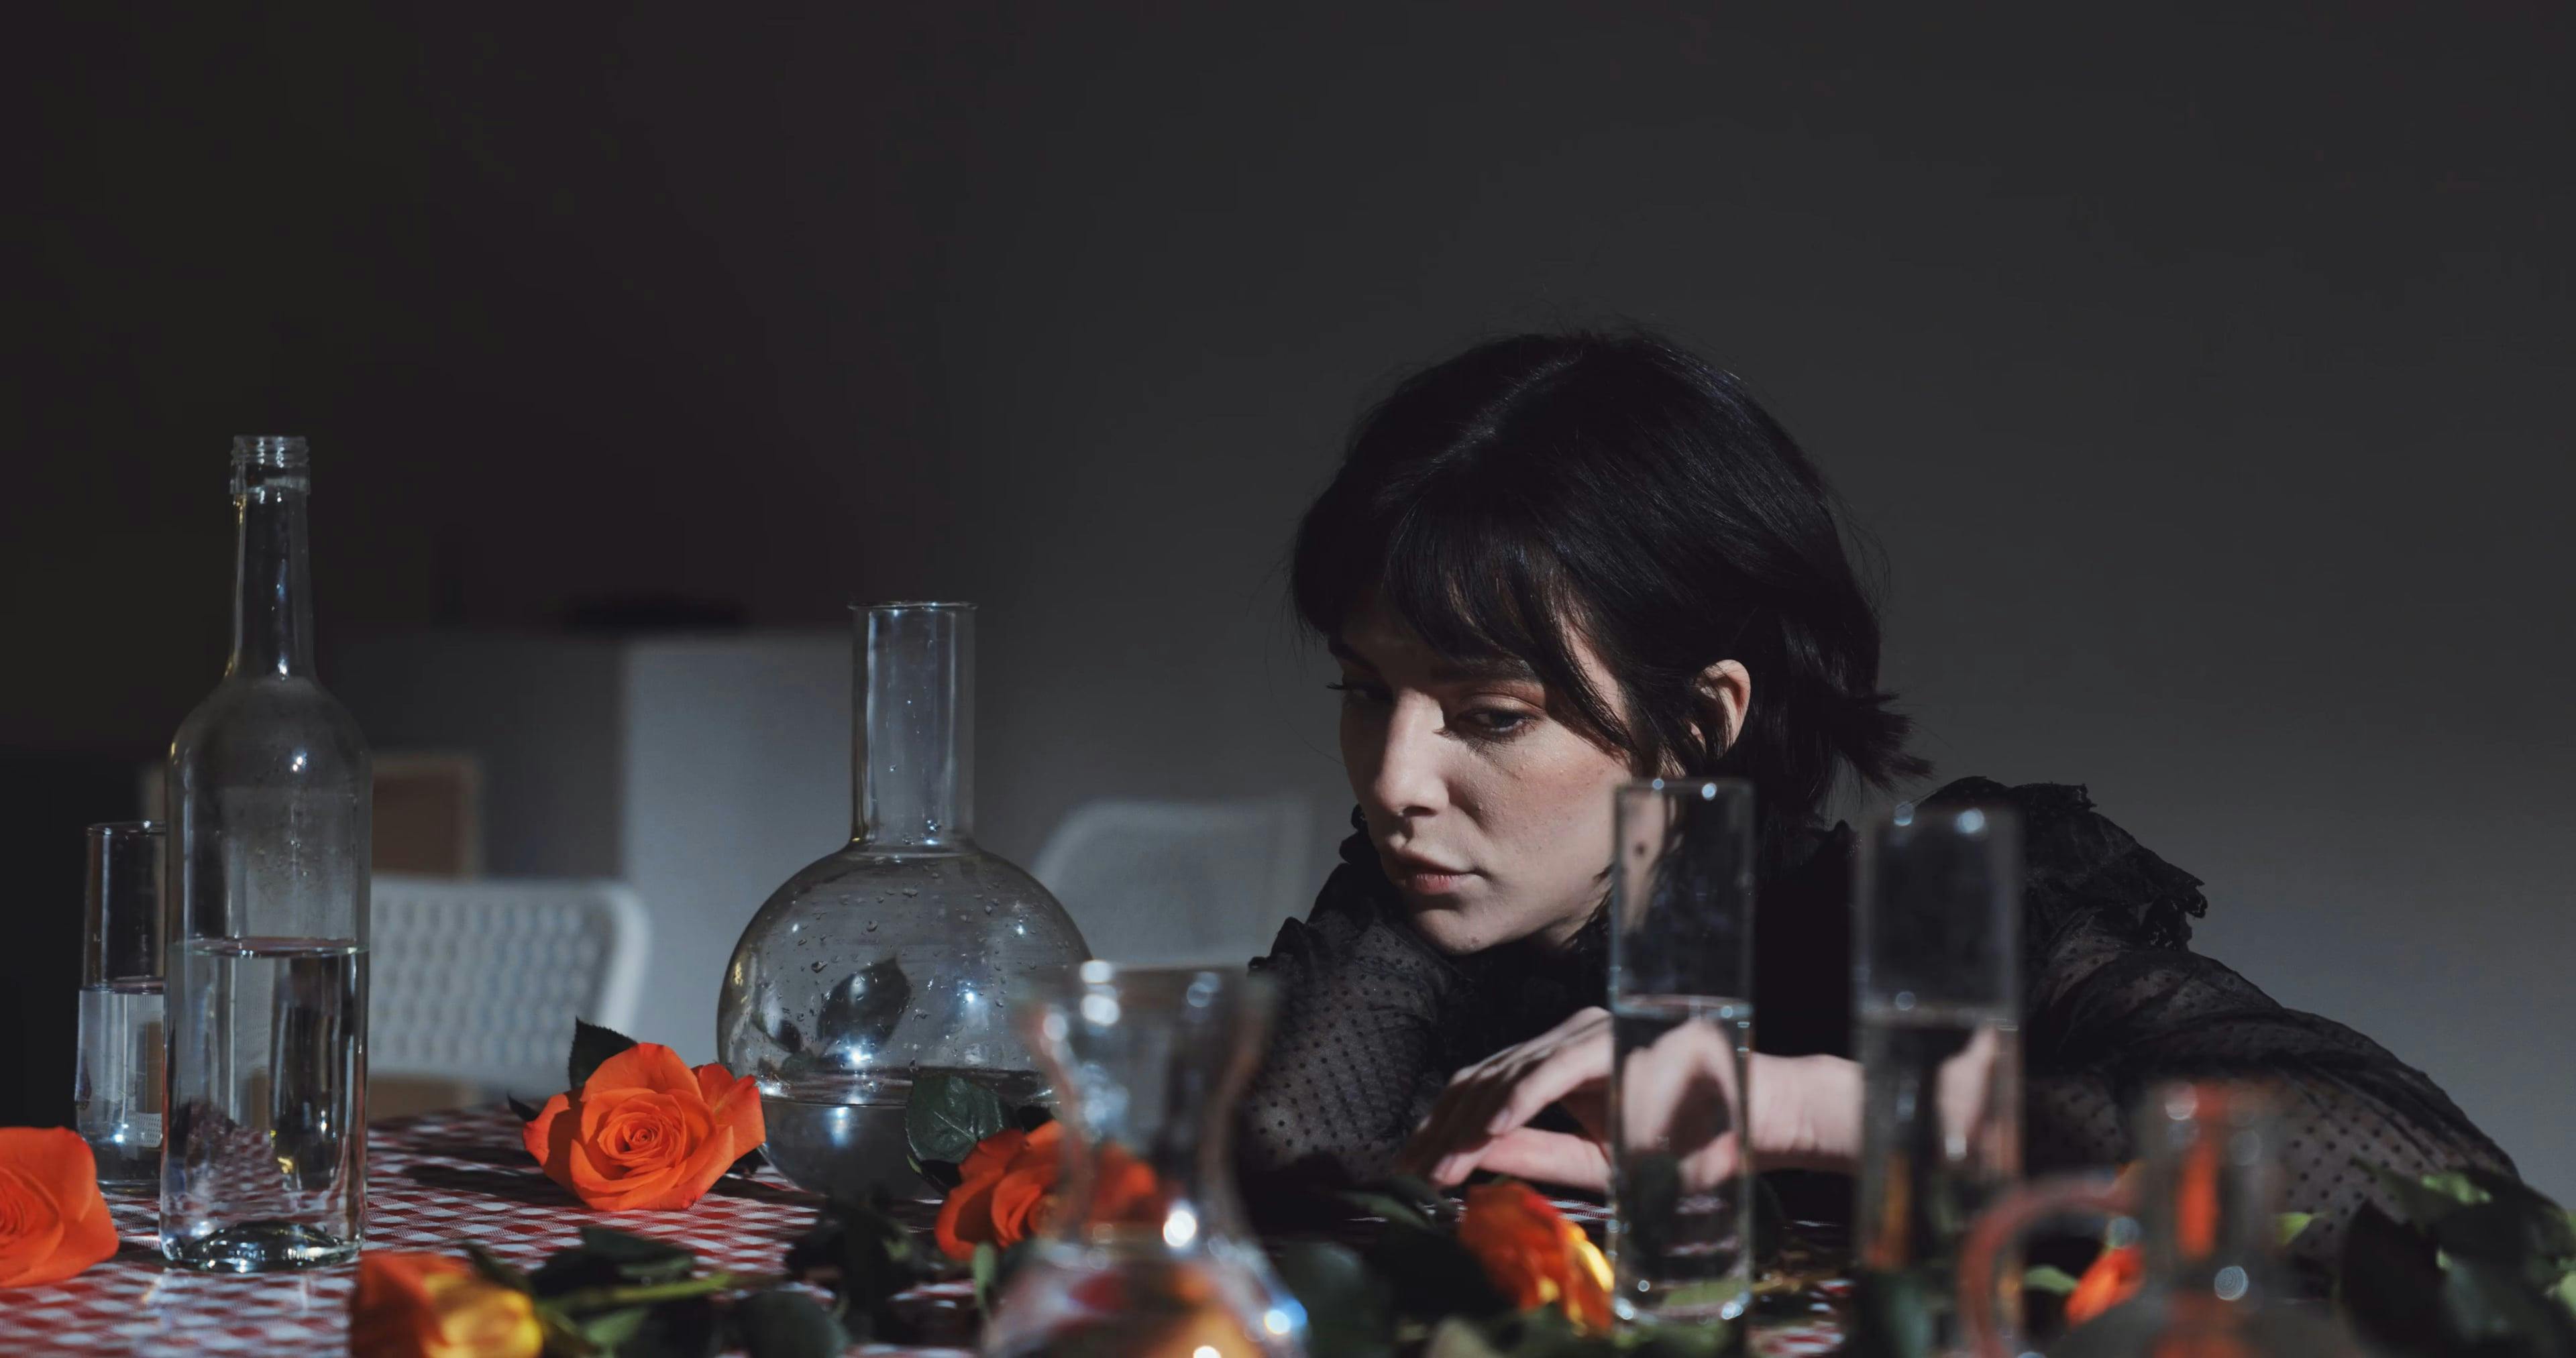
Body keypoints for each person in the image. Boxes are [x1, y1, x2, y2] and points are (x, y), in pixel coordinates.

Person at [1237, 328, 2515, 1279]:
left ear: (1701, 721)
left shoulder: (1907, 929)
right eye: (1366, 692)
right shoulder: (1417, 938)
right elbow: (1274, 1161)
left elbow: (2437, 1180)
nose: (1392, 778)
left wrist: (1806, 1107)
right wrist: (1413, 893)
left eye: (1492, 715)